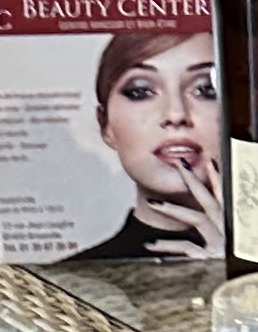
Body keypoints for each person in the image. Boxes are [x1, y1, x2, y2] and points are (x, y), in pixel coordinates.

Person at [90, 17, 226, 259]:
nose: (176, 115)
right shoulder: (60, 276)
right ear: (105, 124)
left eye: (206, 89)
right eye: (141, 91)